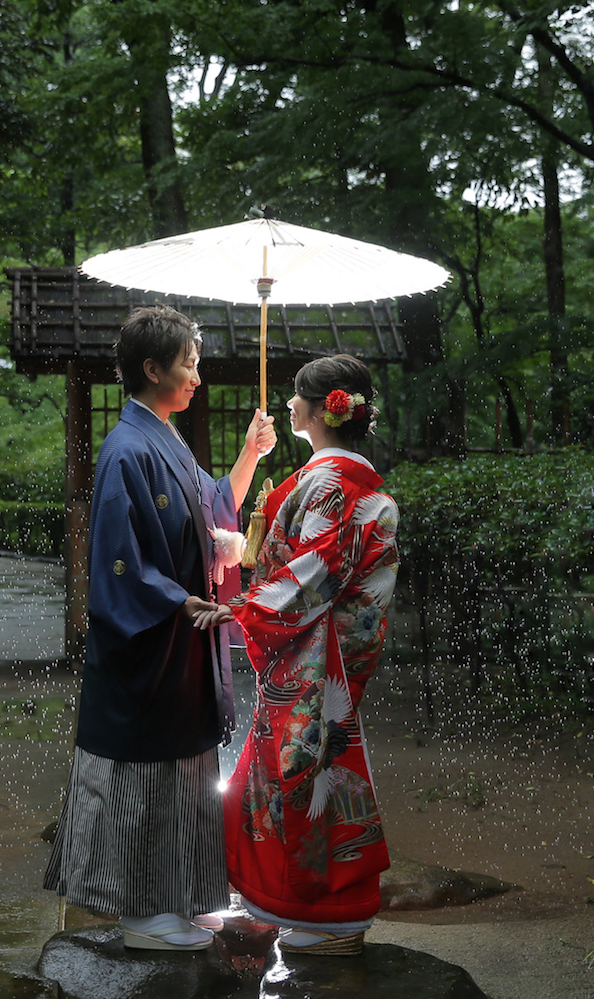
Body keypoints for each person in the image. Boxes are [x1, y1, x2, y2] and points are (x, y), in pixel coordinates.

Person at [44, 305, 275, 951]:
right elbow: (120, 567)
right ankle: (141, 912)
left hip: (178, 650)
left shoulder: (163, 438)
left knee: (183, 774)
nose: (197, 376)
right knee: (145, 780)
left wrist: (250, 456)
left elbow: (213, 509)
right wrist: (183, 602)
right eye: (189, 363)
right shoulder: (126, 451)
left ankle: (178, 897)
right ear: (152, 369)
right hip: (147, 653)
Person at [218, 354, 399, 956]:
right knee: (311, 771)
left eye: (298, 397)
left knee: (299, 774)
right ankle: (317, 912)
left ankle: (325, 918)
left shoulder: (329, 482)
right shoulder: (348, 477)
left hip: (315, 651)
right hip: (333, 652)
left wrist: (245, 609)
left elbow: (314, 572)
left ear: (327, 408)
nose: (289, 405)